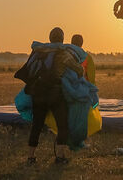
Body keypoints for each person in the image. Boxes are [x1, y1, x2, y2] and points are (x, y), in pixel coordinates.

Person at [27, 27, 84, 164]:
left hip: (38, 92)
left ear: (50, 38)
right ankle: (60, 156)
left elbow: (29, 69)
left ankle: (31, 157)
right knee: (62, 126)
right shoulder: (63, 53)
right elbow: (78, 69)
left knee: (37, 125)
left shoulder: (39, 51)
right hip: (56, 93)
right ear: (62, 39)